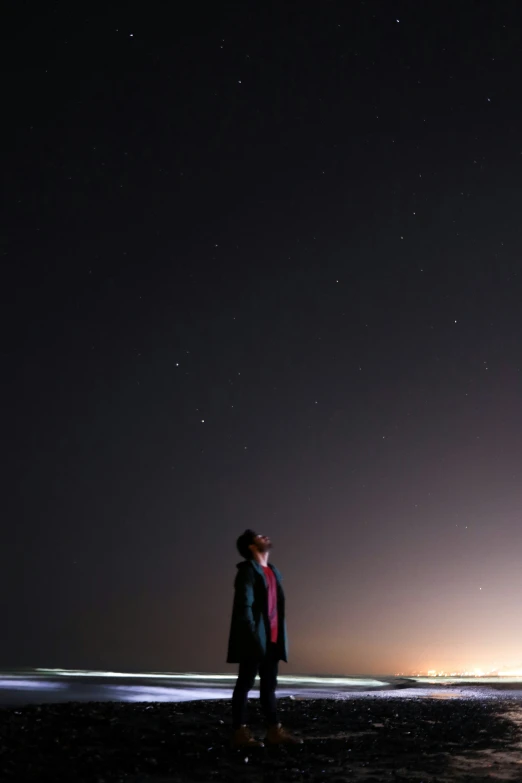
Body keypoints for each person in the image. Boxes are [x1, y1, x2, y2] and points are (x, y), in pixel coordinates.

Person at [227, 529, 303, 748]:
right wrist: (252, 635)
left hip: (273, 639)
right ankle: (239, 733)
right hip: (255, 638)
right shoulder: (248, 571)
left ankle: (273, 731)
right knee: (245, 683)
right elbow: (244, 606)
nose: (266, 537)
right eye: (260, 537)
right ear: (252, 546)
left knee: (269, 686)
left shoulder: (273, 572)